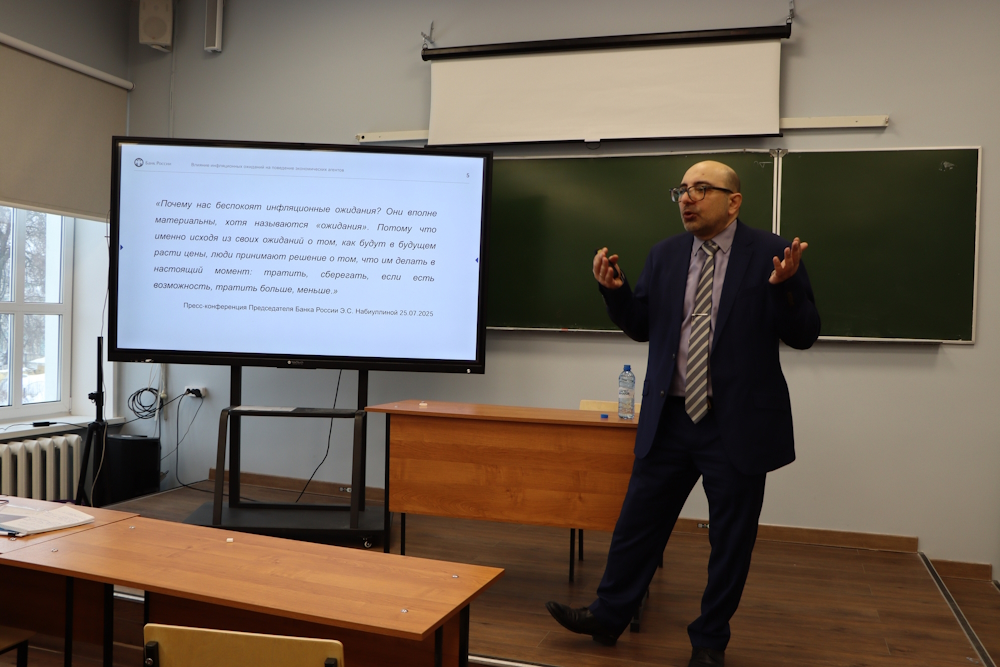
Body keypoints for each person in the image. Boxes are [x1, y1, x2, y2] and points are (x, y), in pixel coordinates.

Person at [545, 160, 820, 667]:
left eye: (700, 189)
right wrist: (615, 292)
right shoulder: (666, 254)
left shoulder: (772, 252)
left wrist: (783, 287)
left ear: (733, 201)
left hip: (735, 422)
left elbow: (804, 334)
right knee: (638, 523)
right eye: (682, 191)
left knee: (730, 539)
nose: (687, 199)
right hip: (670, 417)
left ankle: (709, 641)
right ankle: (608, 615)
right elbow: (641, 326)